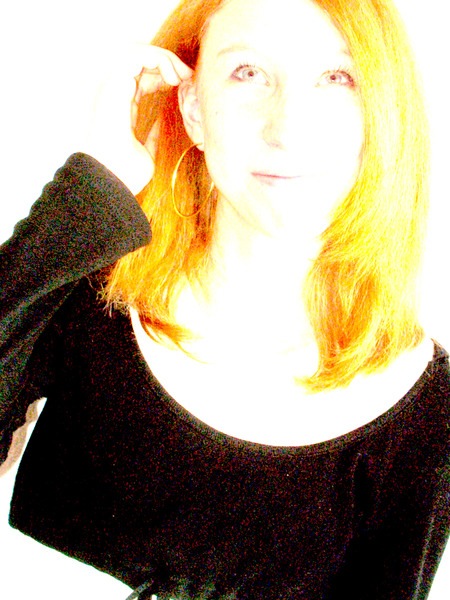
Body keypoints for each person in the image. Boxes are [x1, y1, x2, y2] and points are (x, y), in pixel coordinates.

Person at [0, 0, 449, 598]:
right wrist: (89, 194)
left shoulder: (427, 412)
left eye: (337, 77)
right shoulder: (85, 295)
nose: (287, 129)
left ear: (383, 114)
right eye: (248, 72)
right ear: (193, 109)